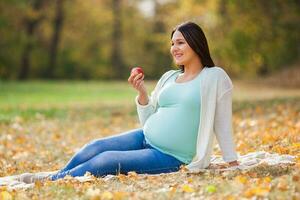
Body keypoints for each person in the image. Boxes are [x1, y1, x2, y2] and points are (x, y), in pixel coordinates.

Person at [9, 21, 240, 183]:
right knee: (95, 146)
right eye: (172, 44)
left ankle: (52, 180)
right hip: (144, 137)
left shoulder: (214, 77)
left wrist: (232, 162)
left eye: (180, 42)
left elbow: (222, 122)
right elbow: (150, 119)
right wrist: (142, 94)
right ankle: (58, 176)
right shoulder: (169, 77)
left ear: (195, 42)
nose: (174, 48)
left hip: (170, 156)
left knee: (107, 159)